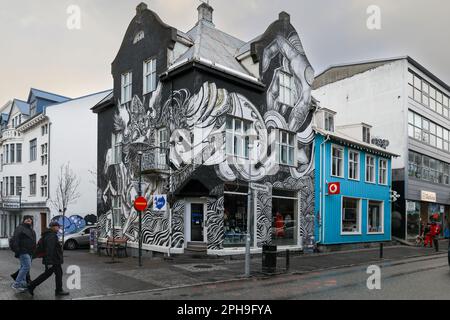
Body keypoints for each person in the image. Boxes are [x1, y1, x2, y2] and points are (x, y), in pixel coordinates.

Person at [27, 222, 69, 297]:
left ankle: (58, 290)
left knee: (55, 274)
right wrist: (49, 262)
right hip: (53, 260)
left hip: (54, 259)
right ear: (53, 227)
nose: (58, 228)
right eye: (57, 227)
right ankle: (32, 285)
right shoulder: (51, 236)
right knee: (51, 274)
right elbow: (49, 249)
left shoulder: (49, 234)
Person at [10, 216, 36, 291]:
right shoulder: (20, 228)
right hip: (23, 251)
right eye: (27, 219)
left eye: (30, 219)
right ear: (23, 220)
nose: (29, 220)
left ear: (32, 221)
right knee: (27, 266)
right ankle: (16, 284)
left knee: (23, 267)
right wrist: (17, 250)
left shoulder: (32, 230)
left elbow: (34, 241)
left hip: (30, 252)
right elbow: (15, 239)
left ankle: (22, 284)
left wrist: (34, 251)